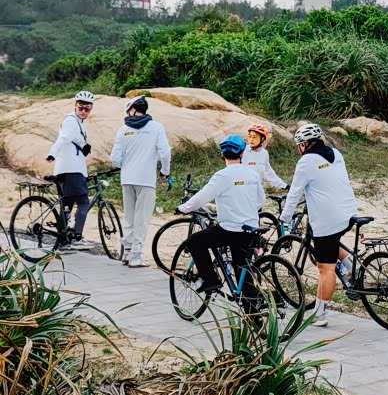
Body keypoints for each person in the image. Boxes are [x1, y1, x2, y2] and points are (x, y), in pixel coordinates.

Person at [279, 123, 358, 328]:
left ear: (304, 144)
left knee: (325, 268)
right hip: (348, 212)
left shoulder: (306, 162)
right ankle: (353, 268)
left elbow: (294, 193)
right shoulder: (336, 153)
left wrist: (284, 218)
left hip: (327, 219)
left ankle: (319, 314)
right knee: (332, 243)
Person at [176, 134, 265, 301]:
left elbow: (202, 197)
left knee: (194, 241)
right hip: (251, 228)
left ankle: (211, 280)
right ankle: (253, 308)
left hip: (230, 230)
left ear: (222, 154)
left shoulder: (222, 176)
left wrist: (183, 208)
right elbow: (261, 201)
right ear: (242, 154)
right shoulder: (252, 175)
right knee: (242, 268)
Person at [110, 95, 171, 268]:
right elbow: (165, 152)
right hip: (146, 179)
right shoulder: (156, 127)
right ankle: (136, 256)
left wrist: (126, 164)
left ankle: (127, 251)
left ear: (132, 110)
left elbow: (115, 159)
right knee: (142, 219)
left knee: (129, 216)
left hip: (127, 179)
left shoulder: (123, 130)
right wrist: (165, 171)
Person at [46, 90, 96, 250]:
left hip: (65, 169)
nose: (83, 111)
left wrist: (83, 146)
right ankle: (77, 238)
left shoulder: (78, 122)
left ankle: (63, 241)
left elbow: (73, 139)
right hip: (72, 170)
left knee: (67, 204)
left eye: (87, 109)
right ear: (75, 105)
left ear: (91, 108)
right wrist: (52, 153)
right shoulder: (71, 121)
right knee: (83, 202)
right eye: (81, 107)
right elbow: (63, 138)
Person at [243, 123, 288, 190]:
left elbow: (268, 172)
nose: (251, 139)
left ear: (262, 139)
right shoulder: (243, 150)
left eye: (255, 137)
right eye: (250, 136)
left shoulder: (264, 153)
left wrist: (284, 186)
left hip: (256, 188)